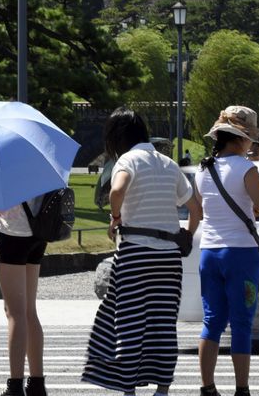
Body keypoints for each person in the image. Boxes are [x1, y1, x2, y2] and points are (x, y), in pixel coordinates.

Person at [82, 108, 202, 396]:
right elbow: (196, 208)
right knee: (163, 323)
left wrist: (115, 217)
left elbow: (116, 191)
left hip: (135, 254)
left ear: (117, 138)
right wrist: (187, 233)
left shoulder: (127, 160)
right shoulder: (168, 164)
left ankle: (128, 390)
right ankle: (162, 389)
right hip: (168, 258)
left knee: (129, 323)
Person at [195, 106, 259, 396]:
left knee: (212, 323)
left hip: (209, 252)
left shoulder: (203, 170)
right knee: (242, 323)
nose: (252, 145)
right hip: (241, 255)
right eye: (251, 140)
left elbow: (217, 210)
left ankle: (207, 387)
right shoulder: (246, 168)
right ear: (239, 138)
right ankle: (241, 389)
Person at [0, 200, 48, 396]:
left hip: (12, 232)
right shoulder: (40, 167)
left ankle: (15, 384)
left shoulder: (4, 168)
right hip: (38, 230)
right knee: (29, 311)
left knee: (14, 312)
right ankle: (36, 383)